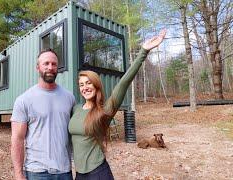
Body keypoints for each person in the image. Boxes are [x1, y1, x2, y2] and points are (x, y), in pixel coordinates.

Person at [68, 29, 167, 180]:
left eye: (88, 83)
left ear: (96, 85)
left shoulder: (104, 110)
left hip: (98, 173)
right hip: (79, 174)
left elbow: (123, 83)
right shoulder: (75, 109)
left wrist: (143, 51)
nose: (85, 87)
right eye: (81, 85)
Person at [10, 49, 75, 180]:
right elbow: (17, 138)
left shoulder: (69, 98)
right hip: (37, 172)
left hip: (64, 171)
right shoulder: (24, 100)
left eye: (54, 64)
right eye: (46, 63)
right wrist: (18, 173)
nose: (50, 67)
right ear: (37, 67)